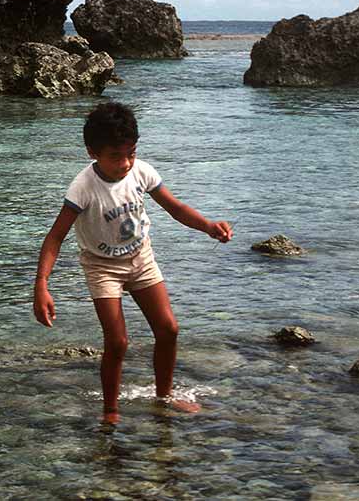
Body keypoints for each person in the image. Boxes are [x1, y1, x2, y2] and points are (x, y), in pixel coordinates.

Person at [33, 101, 232, 423]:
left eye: (131, 153)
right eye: (116, 156)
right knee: (117, 341)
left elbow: (175, 207)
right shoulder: (83, 188)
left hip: (141, 258)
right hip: (102, 267)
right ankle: (110, 411)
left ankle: (164, 396)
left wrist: (208, 226)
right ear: (92, 152)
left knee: (168, 329)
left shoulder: (141, 171)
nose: (125, 163)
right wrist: (41, 285)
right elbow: (55, 237)